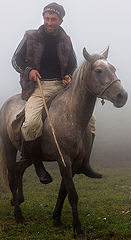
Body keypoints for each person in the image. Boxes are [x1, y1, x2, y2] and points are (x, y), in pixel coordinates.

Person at [12, 2, 101, 184]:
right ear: (43, 18)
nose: (49, 22)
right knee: (31, 124)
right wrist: (29, 70)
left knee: (91, 121)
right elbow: (15, 60)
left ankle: (85, 163)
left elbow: (73, 65)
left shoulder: (66, 40)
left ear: (61, 20)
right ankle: (38, 166)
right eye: (46, 18)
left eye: (53, 19)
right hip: (39, 87)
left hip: (62, 88)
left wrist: (69, 75)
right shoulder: (30, 36)